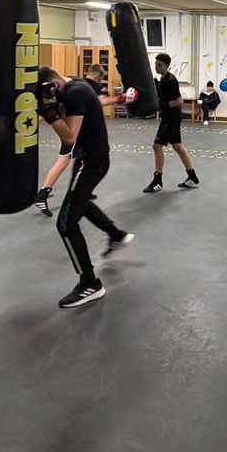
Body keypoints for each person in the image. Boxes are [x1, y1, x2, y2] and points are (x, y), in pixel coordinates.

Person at [37, 66, 136, 308]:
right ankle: (115, 234)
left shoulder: (74, 93)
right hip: (89, 158)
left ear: (52, 87)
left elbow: (69, 136)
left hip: (92, 162)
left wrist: (49, 114)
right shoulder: (77, 85)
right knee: (78, 202)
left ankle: (90, 283)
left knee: (66, 222)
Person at [34, 64, 133, 217]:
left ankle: (70, 191)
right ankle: (44, 194)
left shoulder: (77, 82)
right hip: (75, 129)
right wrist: (122, 98)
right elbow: (100, 102)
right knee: (64, 160)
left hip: (74, 127)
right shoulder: (80, 85)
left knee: (66, 161)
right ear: (99, 76)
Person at [143, 53, 200, 192]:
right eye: (156, 64)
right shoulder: (162, 79)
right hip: (170, 117)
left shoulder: (170, 80)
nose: (157, 67)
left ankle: (158, 181)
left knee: (157, 146)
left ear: (167, 66)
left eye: (160, 65)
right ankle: (192, 177)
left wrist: (162, 104)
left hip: (171, 118)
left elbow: (179, 102)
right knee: (177, 146)